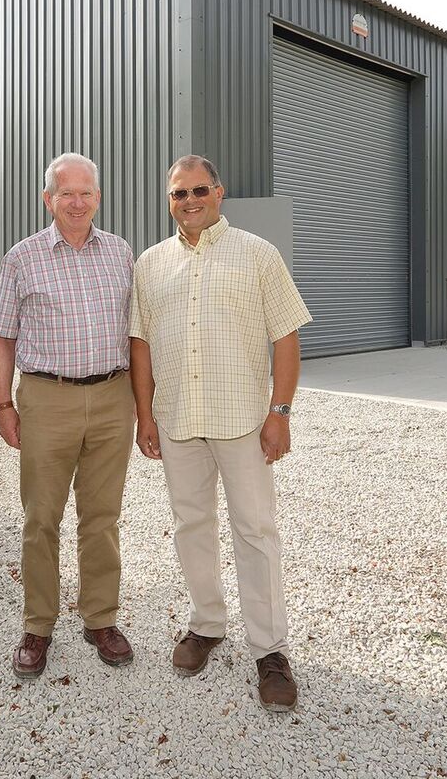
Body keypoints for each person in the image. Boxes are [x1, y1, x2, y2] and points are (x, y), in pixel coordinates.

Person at [129, 154, 312, 712]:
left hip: (242, 423)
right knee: (191, 526)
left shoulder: (258, 254)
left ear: (219, 192)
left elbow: (286, 338)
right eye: (178, 193)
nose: (189, 200)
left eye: (198, 190)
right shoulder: (150, 264)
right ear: (169, 201)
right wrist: (145, 415)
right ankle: (206, 624)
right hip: (178, 420)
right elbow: (141, 344)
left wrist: (280, 412)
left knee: (255, 530)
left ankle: (271, 651)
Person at [0, 152, 137, 679]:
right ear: (47, 199)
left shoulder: (120, 253)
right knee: (40, 518)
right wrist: (4, 405)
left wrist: (144, 404)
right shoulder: (22, 257)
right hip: (46, 399)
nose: (77, 202)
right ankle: (38, 625)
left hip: (113, 398)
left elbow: (137, 333)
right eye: (66, 193)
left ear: (98, 197)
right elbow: (2, 338)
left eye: (86, 192)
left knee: (102, 517)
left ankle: (101, 618)